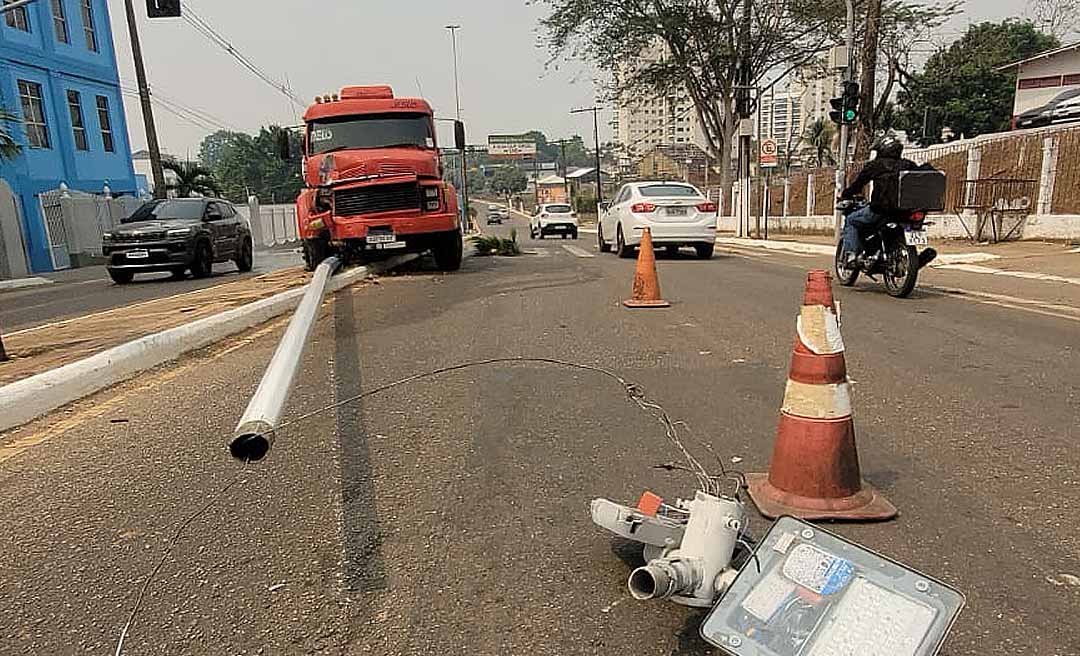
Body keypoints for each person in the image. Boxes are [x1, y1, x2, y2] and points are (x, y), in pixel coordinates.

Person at [839, 136, 918, 267]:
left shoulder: (875, 165)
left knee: (851, 220)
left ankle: (851, 255)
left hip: (880, 210)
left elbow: (858, 184)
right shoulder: (908, 165)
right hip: (905, 211)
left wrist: (845, 194)